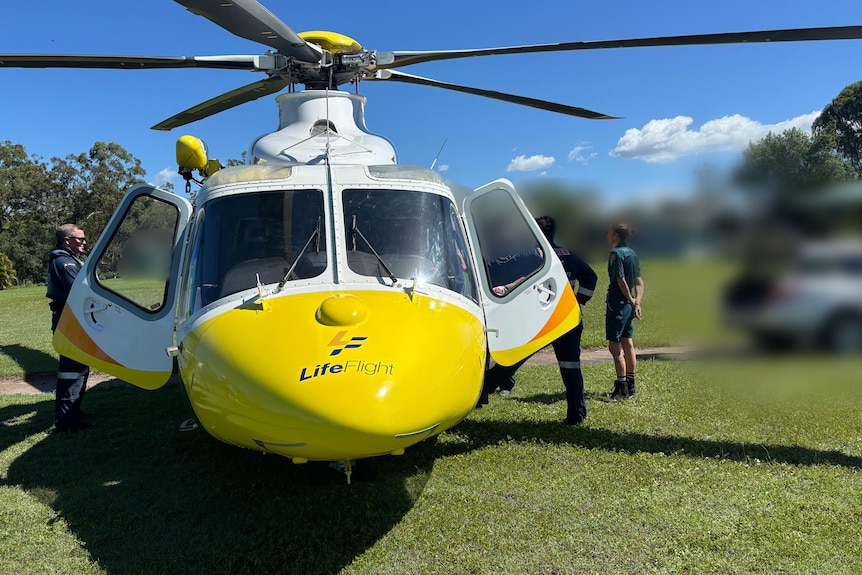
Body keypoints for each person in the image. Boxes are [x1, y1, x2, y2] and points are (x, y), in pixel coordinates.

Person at [479, 216, 597, 426]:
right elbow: (591, 277)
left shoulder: (534, 255)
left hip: (540, 319)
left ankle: (481, 393)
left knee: (511, 359)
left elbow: (498, 267)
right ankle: (576, 415)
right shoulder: (568, 254)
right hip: (568, 319)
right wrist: (579, 301)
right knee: (571, 367)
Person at [46, 224, 92, 432]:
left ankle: (74, 412)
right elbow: (81, 291)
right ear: (67, 241)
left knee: (80, 368)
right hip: (68, 323)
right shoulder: (63, 263)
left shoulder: (69, 260)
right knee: (71, 371)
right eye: (80, 239)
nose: (84, 242)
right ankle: (66, 421)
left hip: (73, 321)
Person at [605, 223, 644, 402]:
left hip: (618, 304)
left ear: (615, 234)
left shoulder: (616, 254)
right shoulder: (633, 253)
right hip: (629, 305)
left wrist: (629, 298)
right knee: (628, 342)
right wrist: (637, 301)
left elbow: (621, 280)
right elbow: (639, 281)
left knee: (614, 346)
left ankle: (621, 388)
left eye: (609, 232)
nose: (607, 234)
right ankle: (631, 382)